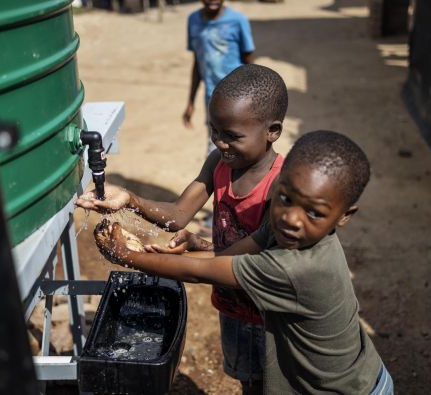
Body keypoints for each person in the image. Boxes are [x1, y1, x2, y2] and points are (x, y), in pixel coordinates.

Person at [93, 130, 394, 394]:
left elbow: (203, 272)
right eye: (286, 198)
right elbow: (233, 255)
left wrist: (128, 255)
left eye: (313, 212)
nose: (291, 218)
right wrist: (195, 245)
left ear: (344, 216)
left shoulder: (299, 268)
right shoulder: (288, 231)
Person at [77, 64, 287, 394]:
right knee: (248, 381)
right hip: (233, 306)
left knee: (274, 385)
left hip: (270, 317)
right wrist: (129, 199)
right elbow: (177, 215)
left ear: (272, 131)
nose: (221, 143)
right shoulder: (218, 163)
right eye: (215, 131)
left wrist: (130, 255)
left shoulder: (281, 190)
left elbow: (246, 264)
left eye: (232, 136)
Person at [183, 0, 256, 156]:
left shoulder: (237, 20)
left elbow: (249, 62)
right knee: (215, 147)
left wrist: (254, 98)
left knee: (239, 146)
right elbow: (197, 63)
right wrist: (190, 102)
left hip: (239, 98)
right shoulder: (193, 20)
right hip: (212, 98)